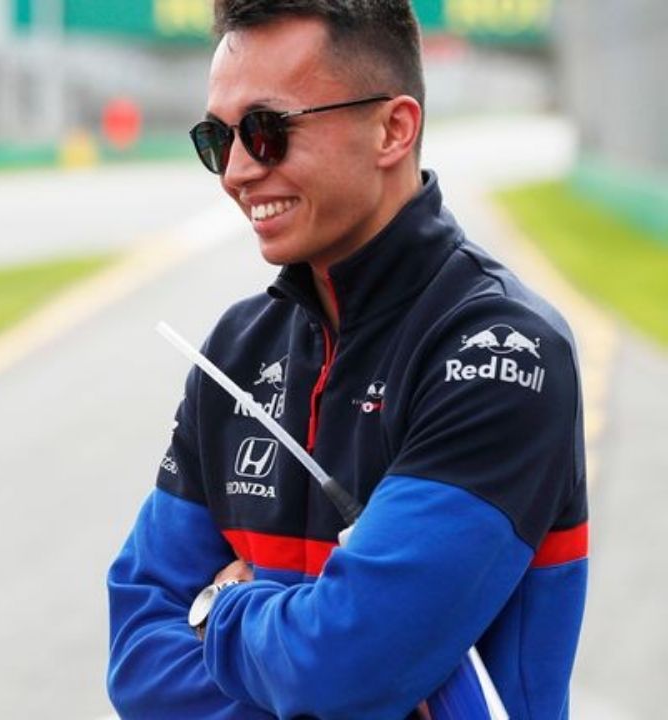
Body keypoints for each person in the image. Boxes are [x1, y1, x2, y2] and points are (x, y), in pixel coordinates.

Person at [107, 2, 587, 718]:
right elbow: (139, 659)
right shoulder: (237, 350)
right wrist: (305, 663)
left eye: (267, 132)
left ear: (393, 129)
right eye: (217, 138)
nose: (237, 171)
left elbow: (347, 665)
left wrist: (218, 606)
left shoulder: (501, 353)